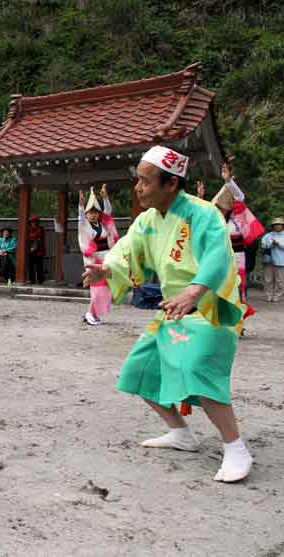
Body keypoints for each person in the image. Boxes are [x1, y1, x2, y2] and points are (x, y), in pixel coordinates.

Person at [84, 146, 252, 483]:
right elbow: (127, 249)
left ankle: (235, 447)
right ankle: (181, 433)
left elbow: (219, 259)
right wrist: (108, 269)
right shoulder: (147, 220)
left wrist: (193, 291)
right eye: (139, 181)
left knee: (197, 366)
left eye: (146, 182)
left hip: (210, 307)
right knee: (139, 371)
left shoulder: (203, 214)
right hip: (173, 308)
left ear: (171, 184)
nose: (138, 188)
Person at [199, 162, 264, 321]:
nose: (218, 210)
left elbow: (240, 197)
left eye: (221, 207)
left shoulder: (237, 219)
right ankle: (219, 319)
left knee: (238, 289)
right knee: (218, 290)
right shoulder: (214, 221)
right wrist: (200, 198)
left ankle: (238, 321)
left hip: (237, 259)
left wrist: (228, 181)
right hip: (219, 259)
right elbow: (202, 212)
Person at [78, 184, 119, 325]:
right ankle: (91, 314)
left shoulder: (104, 223)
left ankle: (91, 313)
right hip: (93, 259)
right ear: (87, 214)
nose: (93, 215)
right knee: (96, 287)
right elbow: (81, 218)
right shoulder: (85, 225)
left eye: (96, 212)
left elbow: (108, 211)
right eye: (90, 212)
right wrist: (81, 205)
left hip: (105, 257)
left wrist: (105, 197)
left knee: (104, 286)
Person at [260, 217, 284, 302]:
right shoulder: (268, 235)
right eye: (275, 225)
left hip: (281, 261)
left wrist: (278, 244)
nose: (277, 226)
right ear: (273, 226)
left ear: (282, 226)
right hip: (268, 261)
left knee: (280, 281)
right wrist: (271, 244)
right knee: (268, 280)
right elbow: (263, 246)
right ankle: (268, 295)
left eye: (279, 225)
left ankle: (277, 296)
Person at [27, 215, 46, 284]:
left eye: (35, 222)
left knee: (39, 265)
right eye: (32, 222)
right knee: (30, 265)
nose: (34, 223)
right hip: (30, 249)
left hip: (38, 250)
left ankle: (40, 280)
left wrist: (35, 248)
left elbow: (39, 239)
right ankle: (32, 280)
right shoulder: (28, 229)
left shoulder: (40, 229)